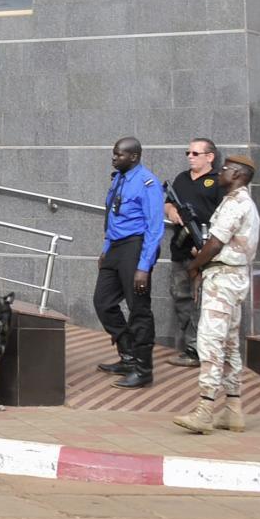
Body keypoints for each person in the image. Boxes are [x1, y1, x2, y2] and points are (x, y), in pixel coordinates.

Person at [174, 154, 260, 434]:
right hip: (230, 277)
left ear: (237, 174)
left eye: (224, 169)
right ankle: (233, 410)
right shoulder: (236, 201)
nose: (220, 172)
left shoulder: (236, 203)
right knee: (230, 345)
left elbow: (214, 244)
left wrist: (194, 267)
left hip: (223, 278)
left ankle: (205, 410)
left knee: (210, 342)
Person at [94, 136, 165, 389]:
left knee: (139, 309)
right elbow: (111, 217)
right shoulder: (119, 179)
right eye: (114, 154)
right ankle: (128, 355)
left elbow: (155, 227)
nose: (114, 158)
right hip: (115, 247)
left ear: (134, 156)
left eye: (119, 154)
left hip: (135, 248)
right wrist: (105, 248)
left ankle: (143, 370)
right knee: (102, 302)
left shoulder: (148, 183)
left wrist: (143, 267)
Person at [163, 137, 221, 366]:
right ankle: (190, 346)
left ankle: (203, 349)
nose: (190, 157)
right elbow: (168, 202)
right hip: (181, 249)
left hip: (205, 251)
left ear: (210, 157)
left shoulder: (218, 181)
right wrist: (171, 211)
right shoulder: (182, 178)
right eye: (188, 152)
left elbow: (222, 217)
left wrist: (205, 246)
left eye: (195, 153)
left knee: (204, 302)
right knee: (181, 297)